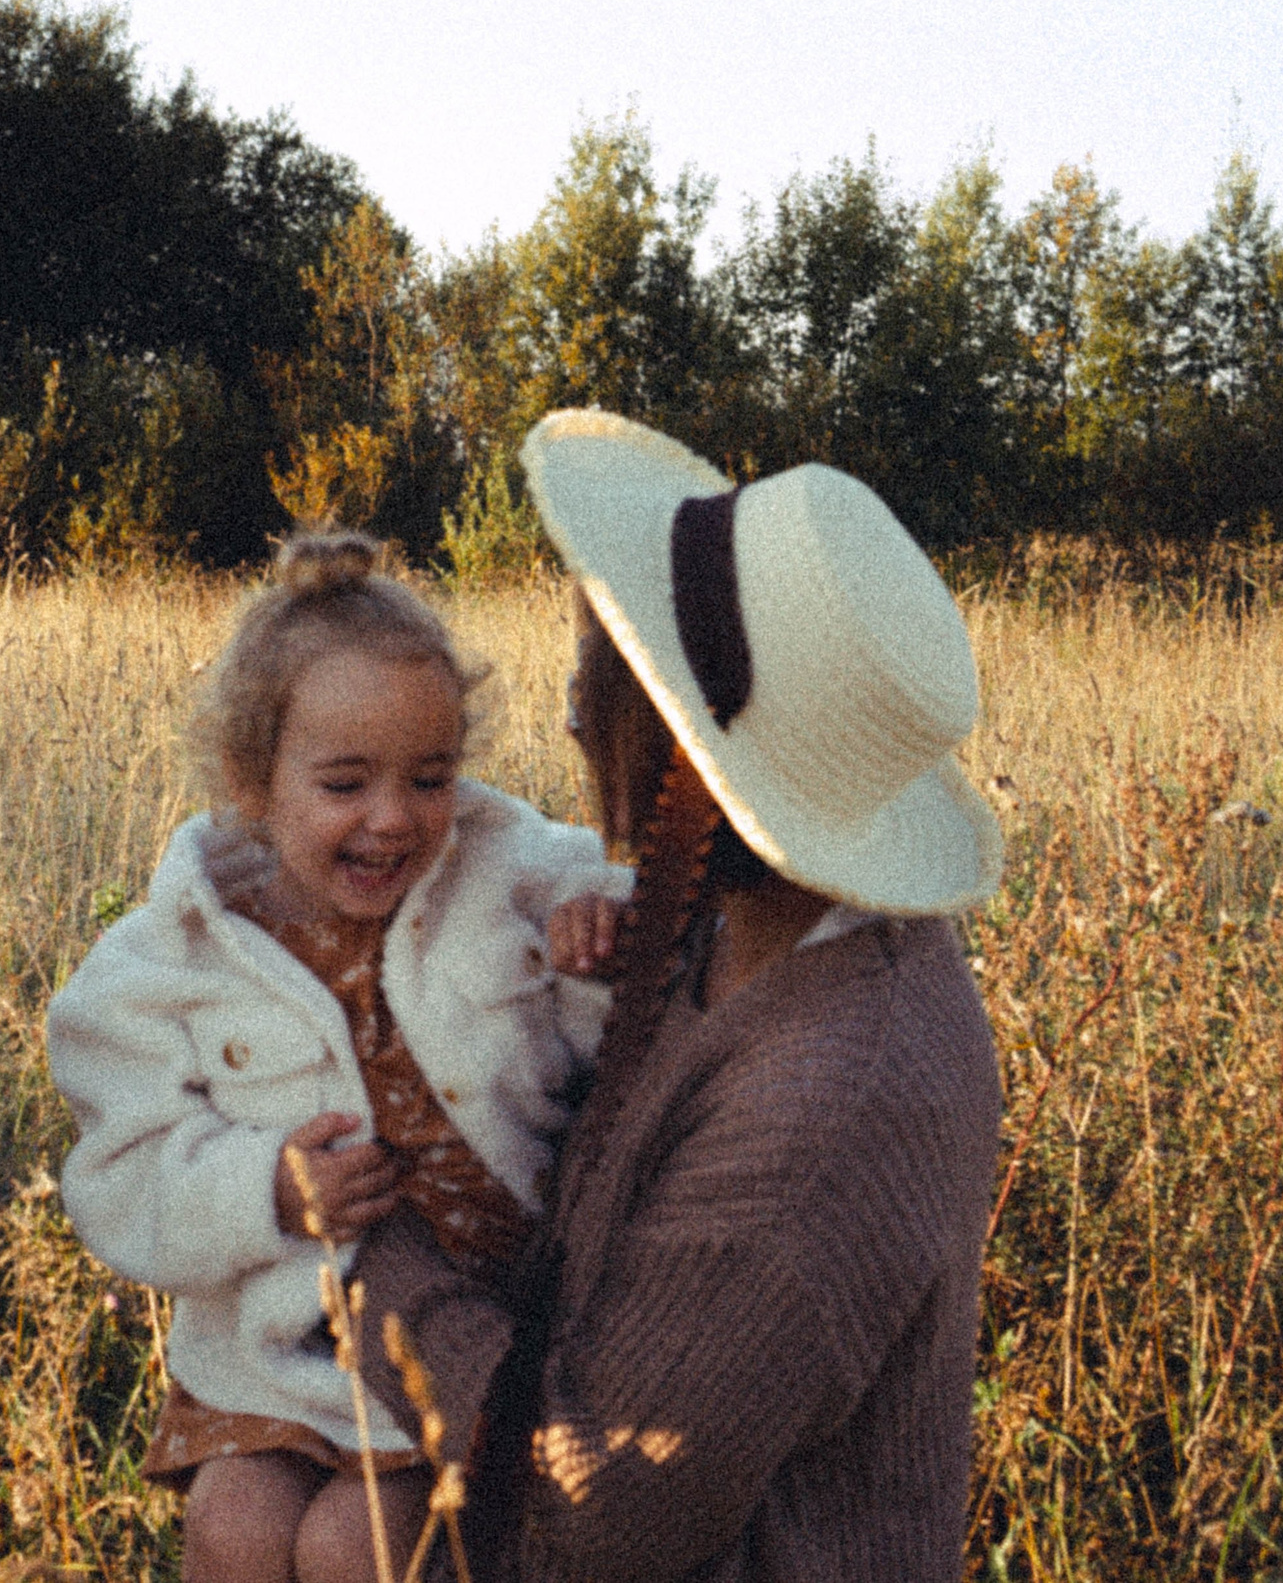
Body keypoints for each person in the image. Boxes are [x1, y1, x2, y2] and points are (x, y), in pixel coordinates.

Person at [348, 409, 1007, 1583]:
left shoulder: (831, 1097)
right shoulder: (723, 924)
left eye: (597, 673)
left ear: (682, 748)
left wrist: (369, 1261)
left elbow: (591, 1514)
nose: (568, 713)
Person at [47, 533, 633, 1583]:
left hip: (465, 1332)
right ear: (253, 781)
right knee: (232, 1527)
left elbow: (616, 981)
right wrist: (262, 1190)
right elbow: (117, 1172)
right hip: (277, 1352)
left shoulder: (507, 868)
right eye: (345, 783)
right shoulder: (176, 955)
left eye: (430, 777)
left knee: (351, 1547)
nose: (392, 819)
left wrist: (591, 939)